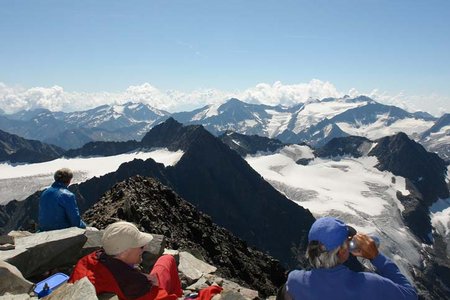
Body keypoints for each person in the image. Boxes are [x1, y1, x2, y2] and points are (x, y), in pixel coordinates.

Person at [284, 217, 418, 300]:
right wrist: (377, 257)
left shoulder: (294, 280)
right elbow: (410, 295)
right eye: (348, 241)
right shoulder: (371, 284)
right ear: (342, 252)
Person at [69, 221, 183, 300]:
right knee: (167, 259)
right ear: (124, 252)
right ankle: (178, 295)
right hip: (147, 291)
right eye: (141, 246)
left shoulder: (89, 260)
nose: (144, 248)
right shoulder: (135, 285)